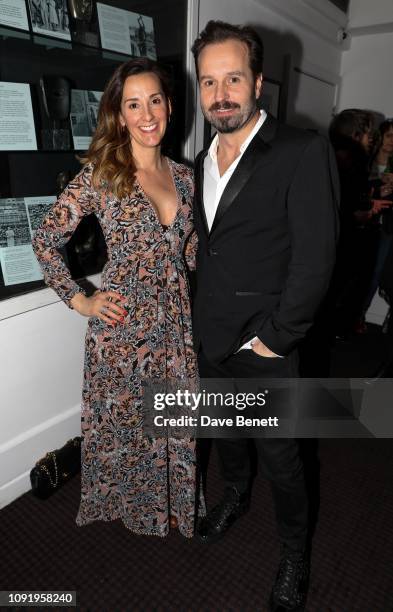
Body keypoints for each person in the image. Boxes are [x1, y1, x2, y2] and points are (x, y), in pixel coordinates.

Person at [191, 21, 339, 611]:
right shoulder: (198, 159)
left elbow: (315, 261)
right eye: (208, 82)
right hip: (211, 341)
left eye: (232, 78)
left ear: (257, 81)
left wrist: (276, 341)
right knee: (227, 436)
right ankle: (234, 495)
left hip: (266, 347)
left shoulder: (302, 150)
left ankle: (294, 554)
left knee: (284, 460)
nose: (220, 94)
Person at [32, 57, 202, 538]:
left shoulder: (187, 179)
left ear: (169, 106)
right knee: (131, 427)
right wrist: (80, 299)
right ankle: (134, 507)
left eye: (155, 101)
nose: (147, 114)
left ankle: (171, 501)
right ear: (119, 114)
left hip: (175, 326)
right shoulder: (103, 175)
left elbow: (189, 256)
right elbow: (45, 239)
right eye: (134, 104)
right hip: (124, 329)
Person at [328, 109, 392, 337]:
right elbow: (339, 209)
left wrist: (374, 193)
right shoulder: (340, 163)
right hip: (338, 243)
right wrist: (366, 212)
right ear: (354, 135)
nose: (371, 138)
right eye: (366, 133)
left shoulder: (349, 161)